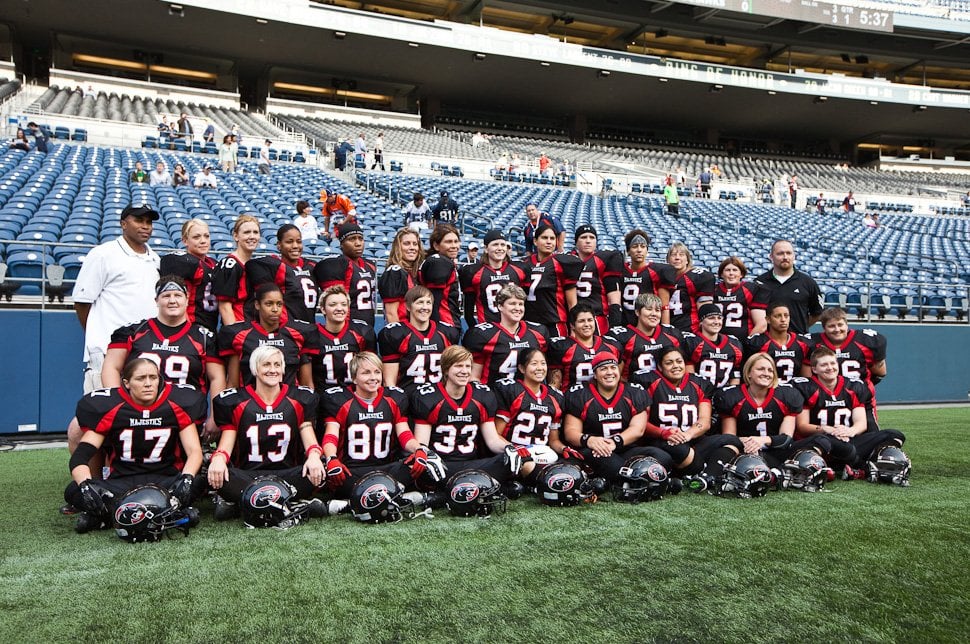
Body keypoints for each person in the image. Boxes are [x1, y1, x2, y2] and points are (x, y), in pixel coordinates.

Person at [65, 358, 206, 534]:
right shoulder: (111, 407)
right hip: (123, 481)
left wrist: (187, 477)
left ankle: (108, 518)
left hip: (164, 478)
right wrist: (85, 484)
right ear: (126, 383)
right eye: (141, 378)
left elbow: (194, 451)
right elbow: (81, 455)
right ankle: (171, 515)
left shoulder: (177, 404)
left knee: (198, 483)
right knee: (74, 490)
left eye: (153, 377)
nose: (148, 384)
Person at [208, 345, 327, 522]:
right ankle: (292, 504)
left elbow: (310, 441)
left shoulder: (298, 399)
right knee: (219, 476)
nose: (273, 370)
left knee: (319, 469)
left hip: (287, 473)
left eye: (277, 365)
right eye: (266, 365)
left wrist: (314, 456)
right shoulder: (236, 402)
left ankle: (244, 503)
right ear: (255, 368)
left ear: (283, 369)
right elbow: (226, 444)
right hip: (247, 475)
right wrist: (218, 459)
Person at [413, 346, 535, 486]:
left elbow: (493, 441)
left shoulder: (481, 396)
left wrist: (511, 447)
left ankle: (543, 486)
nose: (464, 371)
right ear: (446, 369)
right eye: (458, 366)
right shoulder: (429, 398)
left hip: (475, 465)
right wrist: (428, 459)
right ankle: (490, 486)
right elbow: (421, 445)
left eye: (468, 366)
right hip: (442, 466)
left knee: (519, 458)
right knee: (419, 467)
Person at [72, 204, 161, 394]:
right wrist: (97, 336)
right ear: (123, 224)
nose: (145, 226)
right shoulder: (103, 254)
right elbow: (82, 302)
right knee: (100, 415)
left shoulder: (155, 259)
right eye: (138, 220)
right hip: (107, 352)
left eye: (149, 222)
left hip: (144, 353)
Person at [319, 351, 431, 495]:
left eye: (377, 372)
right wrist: (331, 458)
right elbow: (331, 436)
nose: (373, 377)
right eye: (366, 373)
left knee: (428, 462)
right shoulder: (340, 400)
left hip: (386, 469)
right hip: (351, 471)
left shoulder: (393, 399)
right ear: (354, 378)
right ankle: (395, 495)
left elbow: (404, 434)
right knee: (331, 472)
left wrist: (418, 449)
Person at [631, 346, 743, 485]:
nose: (675, 366)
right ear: (660, 366)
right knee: (678, 449)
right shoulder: (649, 382)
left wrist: (688, 434)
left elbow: (705, 420)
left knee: (732, 441)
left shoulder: (698, 383)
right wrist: (664, 433)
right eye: (669, 362)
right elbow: (641, 424)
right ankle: (706, 470)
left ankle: (706, 477)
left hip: (692, 438)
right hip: (663, 440)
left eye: (679, 361)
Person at [103, 275, 224, 397]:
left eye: (178, 295)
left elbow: (217, 378)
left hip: (187, 413)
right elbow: (112, 367)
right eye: (166, 296)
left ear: (187, 299)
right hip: (139, 413)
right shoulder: (132, 332)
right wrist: (117, 405)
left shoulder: (204, 338)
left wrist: (214, 416)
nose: (172, 301)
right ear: (156, 300)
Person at [562, 352, 673, 483]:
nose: (609, 372)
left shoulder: (634, 392)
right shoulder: (580, 395)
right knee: (617, 468)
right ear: (595, 374)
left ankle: (635, 477)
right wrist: (590, 440)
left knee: (663, 457)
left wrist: (615, 442)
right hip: (595, 450)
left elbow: (638, 429)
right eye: (603, 369)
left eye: (613, 367)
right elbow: (570, 432)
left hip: (624, 447)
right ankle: (636, 478)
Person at [715, 353, 831, 471]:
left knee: (821, 440)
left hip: (775, 451)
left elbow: (786, 439)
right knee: (725, 449)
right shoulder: (733, 396)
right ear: (749, 373)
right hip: (746, 451)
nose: (766, 373)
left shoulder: (785, 395)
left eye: (770, 370)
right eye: (761, 369)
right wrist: (747, 442)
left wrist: (762, 440)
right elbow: (729, 437)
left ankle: (809, 468)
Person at [218, 283, 317, 388]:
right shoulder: (240, 335)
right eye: (269, 304)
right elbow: (233, 384)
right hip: (251, 401)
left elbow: (306, 385)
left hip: (289, 401)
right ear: (257, 305)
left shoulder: (298, 334)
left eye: (279, 304)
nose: (275, 309)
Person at [801, 307, 887, 421]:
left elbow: (881, 372)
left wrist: (863, 386)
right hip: (825, 398)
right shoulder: (812, 343)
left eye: (840, 324)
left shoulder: (866, 340)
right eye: (831, 326)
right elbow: (807, 378)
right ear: (824, 328)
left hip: (859, 396)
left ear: (847, 324)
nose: (837, 329)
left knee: (870, 435)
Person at [377, 285, 460, 393]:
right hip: (407, 397)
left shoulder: (446, 332)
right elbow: (390, 383)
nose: (425, 307)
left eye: (428, 303)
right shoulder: (396, 334)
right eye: (420, 302)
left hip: (438, 398)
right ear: (408, 306)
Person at [462, 284, 549, 384]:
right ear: (500, 306)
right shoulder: (483, 335)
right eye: (512, 303)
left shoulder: (538, 333)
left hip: (526, 396)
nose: (517, 308)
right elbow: (474, 377)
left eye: (520, 304)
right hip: (495, 395)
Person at [492, 348, 566, 461]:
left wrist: (564, 449)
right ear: (522, 368)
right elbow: (497, 435)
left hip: (542, 455)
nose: (540, 368)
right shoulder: (512, 391)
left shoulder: (555, 397)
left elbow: (553, 441)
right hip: (512, 456)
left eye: (543, 363)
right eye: (534, 363)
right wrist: (513, 449)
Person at [246, 224, 318, 325]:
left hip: (310, 328)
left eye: (299, 241)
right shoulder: (274, 266)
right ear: (279, 245)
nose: (295, 246)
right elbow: (249, 265)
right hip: (287, 329)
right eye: (289, 242)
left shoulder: (311, 265)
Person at [311, 286, 375, 391]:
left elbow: (371, 368)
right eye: (333, 304)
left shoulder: (361, 332)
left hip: (353, 395)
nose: (339, 308)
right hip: (323, 396)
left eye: (344, 304)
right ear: (323, 309)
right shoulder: (313, 334)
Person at [160, 218, 219, 332]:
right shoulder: (183, 262)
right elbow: (179, 301)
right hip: (191, 325)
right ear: (185, 241)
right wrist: (187, 331)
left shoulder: (214, 263)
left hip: (211, 325)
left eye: (206, 236)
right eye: (196, 237)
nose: (203, 241)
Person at [522, 224, 581, 337]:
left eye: (552, 238)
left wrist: (574, 327)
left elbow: (572, 302)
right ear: (535, 241)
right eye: (544, 238)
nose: (549, 242)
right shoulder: (524, 264)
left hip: (554, 323)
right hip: (529, 323)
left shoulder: (562, 263)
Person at [312, 221, 376, 326]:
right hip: (348, 327)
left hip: (369, 326)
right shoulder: (338, 264)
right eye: (352, 239)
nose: (358, 243)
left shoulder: (370, 265)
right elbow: (334, 304)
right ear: (341, 244)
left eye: (360, 238)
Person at [752, 239, 823, 334]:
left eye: (789, 253)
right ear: (771, 257)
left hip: (799, 342)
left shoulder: (808, 283)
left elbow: (816, 313)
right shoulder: (759, 282)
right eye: (780, 253)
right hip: (768, 343)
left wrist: (800, 325)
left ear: (794, 256)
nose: (785, 257)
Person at [459, 229, 526, 326]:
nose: (500, 248)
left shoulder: (518, 269)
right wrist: (475, 329)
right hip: (488, 330)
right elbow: (468, 310)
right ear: (486, 249)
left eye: (503, 245)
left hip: (514, 328)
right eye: (495, 244)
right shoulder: (473, 272)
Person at [547, 302, 619, 390]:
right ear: (572, 325)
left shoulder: (611, 345)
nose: (586, 324)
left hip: (601, 399)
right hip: (572, 400)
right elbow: (555, 384)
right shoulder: (562, 347)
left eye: (590, 320)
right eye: (581, 321)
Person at [571, 224, 623, 333]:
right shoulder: (567, 260)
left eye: (592, 237)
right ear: (576, 242)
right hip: (574, 317)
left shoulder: (604, 259)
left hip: (597, 316)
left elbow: (613, 290)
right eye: (583, 237)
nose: (588, 241)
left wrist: (615, 312)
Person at [212, 214, 260, 326]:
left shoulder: (253, 265)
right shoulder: (230, 264)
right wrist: (234, 336)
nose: (252, 236)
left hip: (253, 330)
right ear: (236, 236)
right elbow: (225, 307)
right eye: (247, 232)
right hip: (239, 331)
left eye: (255, 232)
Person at [744, 302, 811, 384]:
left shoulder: (803, 343)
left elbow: (806, 379)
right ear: (768, 319)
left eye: (786, 316)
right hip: (766, 390)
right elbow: (748, 374)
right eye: (778, 316)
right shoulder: (756, 342)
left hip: (794, 392)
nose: (783, 320)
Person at [620, 229, 675, 327]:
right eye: (635, 246)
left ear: (647, 250)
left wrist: (666, 328)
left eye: (643, 246)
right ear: (628, 251)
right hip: (625, 324)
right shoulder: (620, 270)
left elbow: (664, 306)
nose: (639, 250)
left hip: (649, 325)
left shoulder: (657, 271)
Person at [682, 303, 744, 389]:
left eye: (719, 318)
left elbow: (735, 374)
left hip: (723, 394)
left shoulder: (734, 344)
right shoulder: (693, 342)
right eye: (711, 318)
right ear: (700, 322)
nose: (716, 322)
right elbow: (690, 377)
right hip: (700, 392)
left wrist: (730, 394)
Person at [419, 224, 464, 327]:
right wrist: (436, 329)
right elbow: (434, 302)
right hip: (443, 324)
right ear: (436, 245)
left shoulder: (446, 262)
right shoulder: (439, 262)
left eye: (456, 241)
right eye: (448, 242)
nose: (454, 246)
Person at [378, 227, 425, 324]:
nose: (412, 247)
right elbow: (391, 313)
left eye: (415, 244)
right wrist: (399, 337)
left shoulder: (415, 273)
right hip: (403, 332)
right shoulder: (394, 272)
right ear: (398, 247)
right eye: (406, 244)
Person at [666, 242, 715, 333]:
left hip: (692, 329)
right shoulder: (663, 277)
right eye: (673, 255)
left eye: (681, 255)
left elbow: (705, 309)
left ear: (687, 260)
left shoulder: (697, 277)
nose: (677, 258)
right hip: (671, 328)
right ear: (668, 260)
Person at [713, 256, 765, 339]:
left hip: (743, 340)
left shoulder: (751, 289)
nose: (731, 273)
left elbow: (762, 324)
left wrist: (748, 341)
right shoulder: (713, 290)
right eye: (727, 270)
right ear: (721, 274)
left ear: (741, 274)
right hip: (717, 341)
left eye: (735, 270)